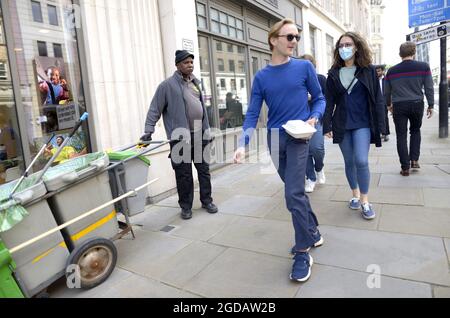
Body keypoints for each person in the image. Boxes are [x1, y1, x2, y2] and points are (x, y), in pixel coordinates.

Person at [234, 19, 325, 283]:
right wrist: (243, 143)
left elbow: (319, 98)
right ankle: (313, 231)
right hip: (275, 139)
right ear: (274, 39)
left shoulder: (304, 67)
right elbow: (252, 112)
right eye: (290, 37)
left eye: (296, 37)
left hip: (298, 136)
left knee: (293, 194)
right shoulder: (262, 77)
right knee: (294, 192)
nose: (294, 41)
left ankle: (302, 251)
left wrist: (315, 116)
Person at [142, 50, 218, 220]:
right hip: (181, 138)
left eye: (191, 62)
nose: (190, 65)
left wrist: (207, 130)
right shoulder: (166, 86)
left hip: (200, 136)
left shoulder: (197, 83)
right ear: (177, 65)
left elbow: (203, 109)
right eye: (186, 62)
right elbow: (154, 109)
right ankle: (186, 207)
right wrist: (148, 131)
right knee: (184, 175)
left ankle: (207, 201)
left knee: (204, 171)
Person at [323, 32, 385, 221]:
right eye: (341, 46)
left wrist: (381, 126)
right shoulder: (333, 73)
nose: (344, 48)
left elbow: (378, 99)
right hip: (342, 123)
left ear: (356, 46)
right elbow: (328, 102)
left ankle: (365, 201)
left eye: (348, 44)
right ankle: (355, 195)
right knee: (349, 162)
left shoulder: (368, 71)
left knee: (361, 161)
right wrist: (327, 125)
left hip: (363, 123)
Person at [384, 41, 434, 177]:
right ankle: (414, 160)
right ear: (414, 52)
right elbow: (429, 87)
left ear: (400, 54)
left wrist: (388, 105)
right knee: (415, 131)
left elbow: (386, 91)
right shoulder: (423, 67)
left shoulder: (392, 71)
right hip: (417, 103)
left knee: (401, 135)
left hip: (399, 105)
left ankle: (405, 167)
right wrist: (431, 105)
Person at [299, 54, 327, 193]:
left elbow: (325, 100)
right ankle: (310, 178)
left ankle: (319, 168)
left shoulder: (321, 79)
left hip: (316, 119)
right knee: (305, 151)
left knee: (317, 148)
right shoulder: (296, 80)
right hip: (300, 121)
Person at [375, 64, 390, 142]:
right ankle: (379, 133)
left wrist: (390, 103)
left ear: (382, 71)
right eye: (376, 71)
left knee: (384, 118)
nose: (377, 73)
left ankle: (385, 133)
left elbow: (390, 91)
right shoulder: (373, 80)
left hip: (384, 102)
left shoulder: (386, 80)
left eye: (379, 71)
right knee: (376, 118)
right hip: (376, 102)